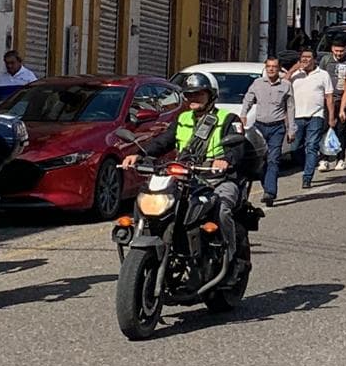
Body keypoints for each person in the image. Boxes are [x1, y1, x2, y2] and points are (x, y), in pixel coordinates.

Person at [125, 71, 247, 263]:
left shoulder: (228, 119)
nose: (193, 98)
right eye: (189, 94)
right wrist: (139, 155)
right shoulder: (182, 118)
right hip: (185, 177)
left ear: (211, 95)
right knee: (151, 198)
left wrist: (226, 160)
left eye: (199, 93)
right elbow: (163, 141)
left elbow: (239, 148)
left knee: (221, 208)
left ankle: (229, 255)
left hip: (218, 178)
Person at [239, 57, 296, 207]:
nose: (271, 69)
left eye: (274, 67)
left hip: (277, 127)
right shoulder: (257, 84)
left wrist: (291, 129)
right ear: (266, 68)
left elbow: (290, 108)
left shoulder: (286, 85)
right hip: (259, 126)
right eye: (269, 66)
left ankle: (270, 192)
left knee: (273, 158)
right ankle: (266, 186)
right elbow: (248, 99)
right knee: (260, 159)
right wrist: (243, 114)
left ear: (279, 69)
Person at [288, 50, 335, 189]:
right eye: (303, 57)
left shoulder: (323, 75)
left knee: (312, 146)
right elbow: (282, 84)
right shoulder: (295, 75)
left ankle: (307, 177)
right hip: (297, 116)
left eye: (308, 57)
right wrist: (293, 70)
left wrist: (331, 116)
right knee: (295, 147)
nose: (305, 60)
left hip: (316, 115)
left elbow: (329, 97)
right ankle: (308, 163)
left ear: (314, 59)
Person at [318, 40, 346, 171]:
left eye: (341, 51)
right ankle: (324, 158)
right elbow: (320, 76)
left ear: (345, 50)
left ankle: (341, 158)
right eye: (336, 51)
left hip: (342, 100)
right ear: (332, 49)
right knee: (325, 129)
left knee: (341, 130)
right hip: (327, 99)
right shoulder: (326, 60)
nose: (339, 54)